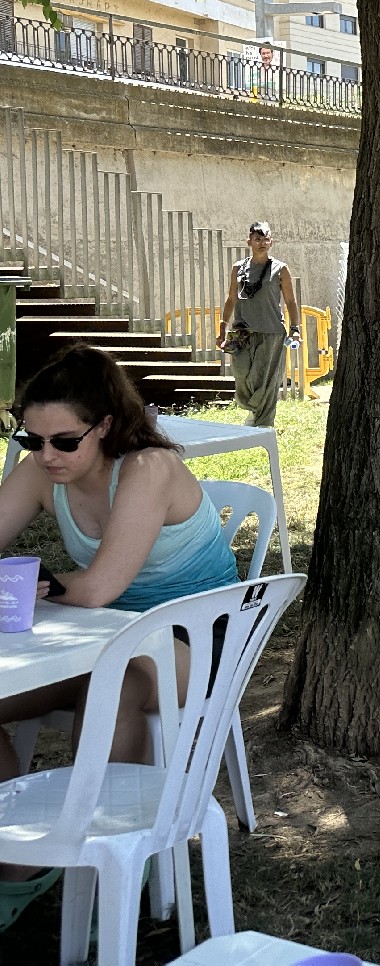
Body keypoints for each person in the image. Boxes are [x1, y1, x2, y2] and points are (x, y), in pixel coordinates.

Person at [0, 346, 240, 908]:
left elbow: (97, 588)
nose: (46, 455)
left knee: (120, 681)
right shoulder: (40, 473)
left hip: (196, 637)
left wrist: (30, 583)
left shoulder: (148, 468)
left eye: (64, 441)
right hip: (104, 636)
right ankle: (19, 860)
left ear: (104, 426)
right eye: (32, 440)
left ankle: (111, 865)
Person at [216, 220, 301, 428]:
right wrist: (222, 326)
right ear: (249, 242)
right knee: (241, 373)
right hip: (241, 330)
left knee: (265, 378)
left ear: (271, 242)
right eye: (257, 239)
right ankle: (254, 409)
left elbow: (291, 301)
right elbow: (231, 298)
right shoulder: (238, 268)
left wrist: (295, 329)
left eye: (266, 239)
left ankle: (263, 421)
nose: (262, 243)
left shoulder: (280, 269)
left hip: (271, 331)